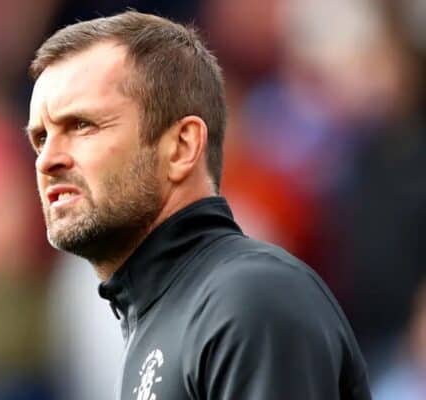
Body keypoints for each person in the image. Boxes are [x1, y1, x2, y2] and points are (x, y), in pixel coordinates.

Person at [26, 11, 372, 400]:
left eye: (82, 125)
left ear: (182, 146)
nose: (47, 159)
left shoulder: (248, 298)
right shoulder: (158, 320)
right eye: (40, 138)